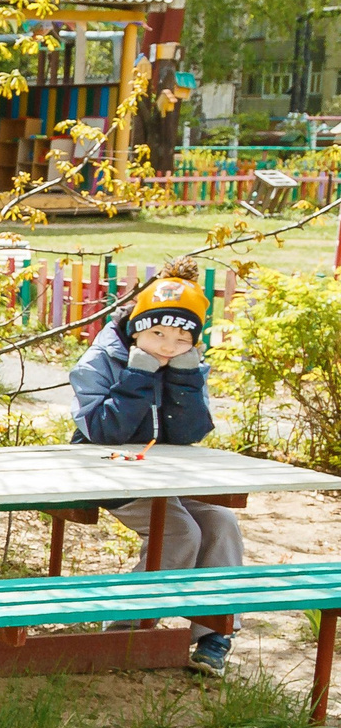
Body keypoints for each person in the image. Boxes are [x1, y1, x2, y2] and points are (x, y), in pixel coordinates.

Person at [68, 261, 240, 675]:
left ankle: (215, 631)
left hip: (163, 474)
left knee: (220, 521)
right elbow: (102, 431)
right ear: (136, 326)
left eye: (182, 339)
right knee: (179, 530)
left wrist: (185, 381)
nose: (167, 346)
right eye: (157, 334)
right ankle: (126, 630)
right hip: (104, 471)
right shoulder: (102, 358)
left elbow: (189, 434)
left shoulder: (185, 362)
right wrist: (137, 375)